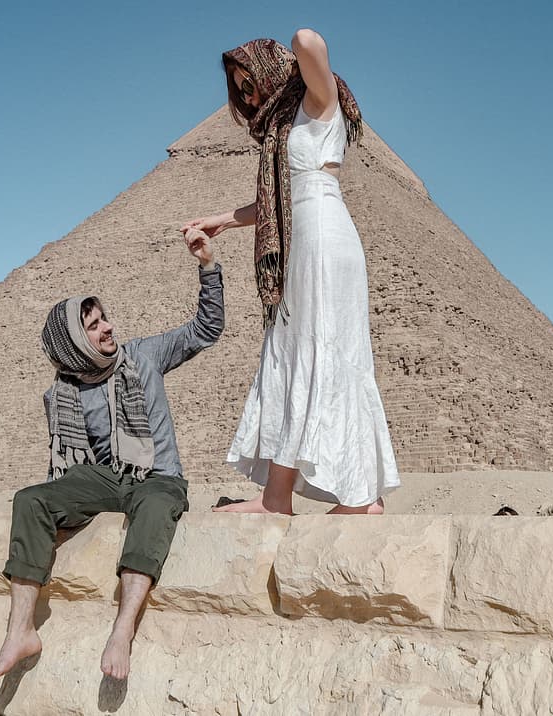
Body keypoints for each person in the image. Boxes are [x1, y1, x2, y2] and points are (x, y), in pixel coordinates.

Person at [0, 229, 223, 684]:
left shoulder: (143, 356)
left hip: (157, 475)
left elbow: (206, 329)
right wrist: (61, 504)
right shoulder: (64, 392)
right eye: (93, 326)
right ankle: (20, 631)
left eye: (104, 319)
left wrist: (208, 266)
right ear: (74, 346)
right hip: (104, 479)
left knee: (155, 506)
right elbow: (67, 469)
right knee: (32, 500)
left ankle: (122, 630)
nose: (108, 327)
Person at [182, 29, 400, 515]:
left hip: (324, 236)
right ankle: (278, 497)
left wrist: (295, 54)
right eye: (238, 87)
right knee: (291, 352)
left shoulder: (320, 103)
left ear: (273, 67)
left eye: (250, 78)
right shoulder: (278, 127)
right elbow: (276, 200)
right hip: (296, 238)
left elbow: (309, 41)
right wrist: (221, 220)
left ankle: (364, 497)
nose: (246, 92)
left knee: (326, 349)